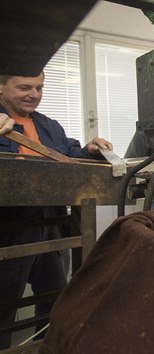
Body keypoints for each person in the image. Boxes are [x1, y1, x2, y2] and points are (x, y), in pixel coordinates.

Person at [0, 72, 113, 348]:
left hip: (51, 226)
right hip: (8, 230)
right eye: (24, 87)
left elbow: (69, 157)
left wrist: (90, 151)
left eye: (39, 87)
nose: (34, 94)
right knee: (4, 308)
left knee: (53, 302)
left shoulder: (50, 127)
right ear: (1, 87)